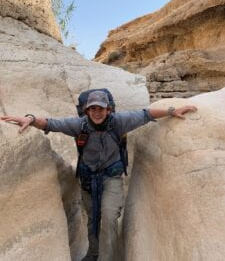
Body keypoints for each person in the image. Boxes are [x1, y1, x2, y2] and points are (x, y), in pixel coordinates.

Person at [0, 90, 197, 261]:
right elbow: (50, 124)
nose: (97, 112)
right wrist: (30, 119)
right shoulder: (80, 125)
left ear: (108, 109)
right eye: (92, 109)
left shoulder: (120, 121)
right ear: (86, 110)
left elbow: (146, 114)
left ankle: (106, 257)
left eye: (101, 108)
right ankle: (93, 253)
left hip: (111, 178)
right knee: (93, 219)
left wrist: (172, 111)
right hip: (87, 181)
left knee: (109, 217)